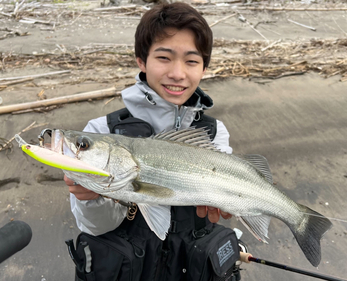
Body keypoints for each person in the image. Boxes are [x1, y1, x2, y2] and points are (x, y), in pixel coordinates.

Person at [64, 3, 240, 280]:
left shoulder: (214, 132)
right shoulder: (100, 131)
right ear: (141, 61)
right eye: (164, 58)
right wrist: (93, 199)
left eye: (191, 61)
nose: (178, 73)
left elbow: (224, 203)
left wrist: (233, 207)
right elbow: (95, 227)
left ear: (204, 68)